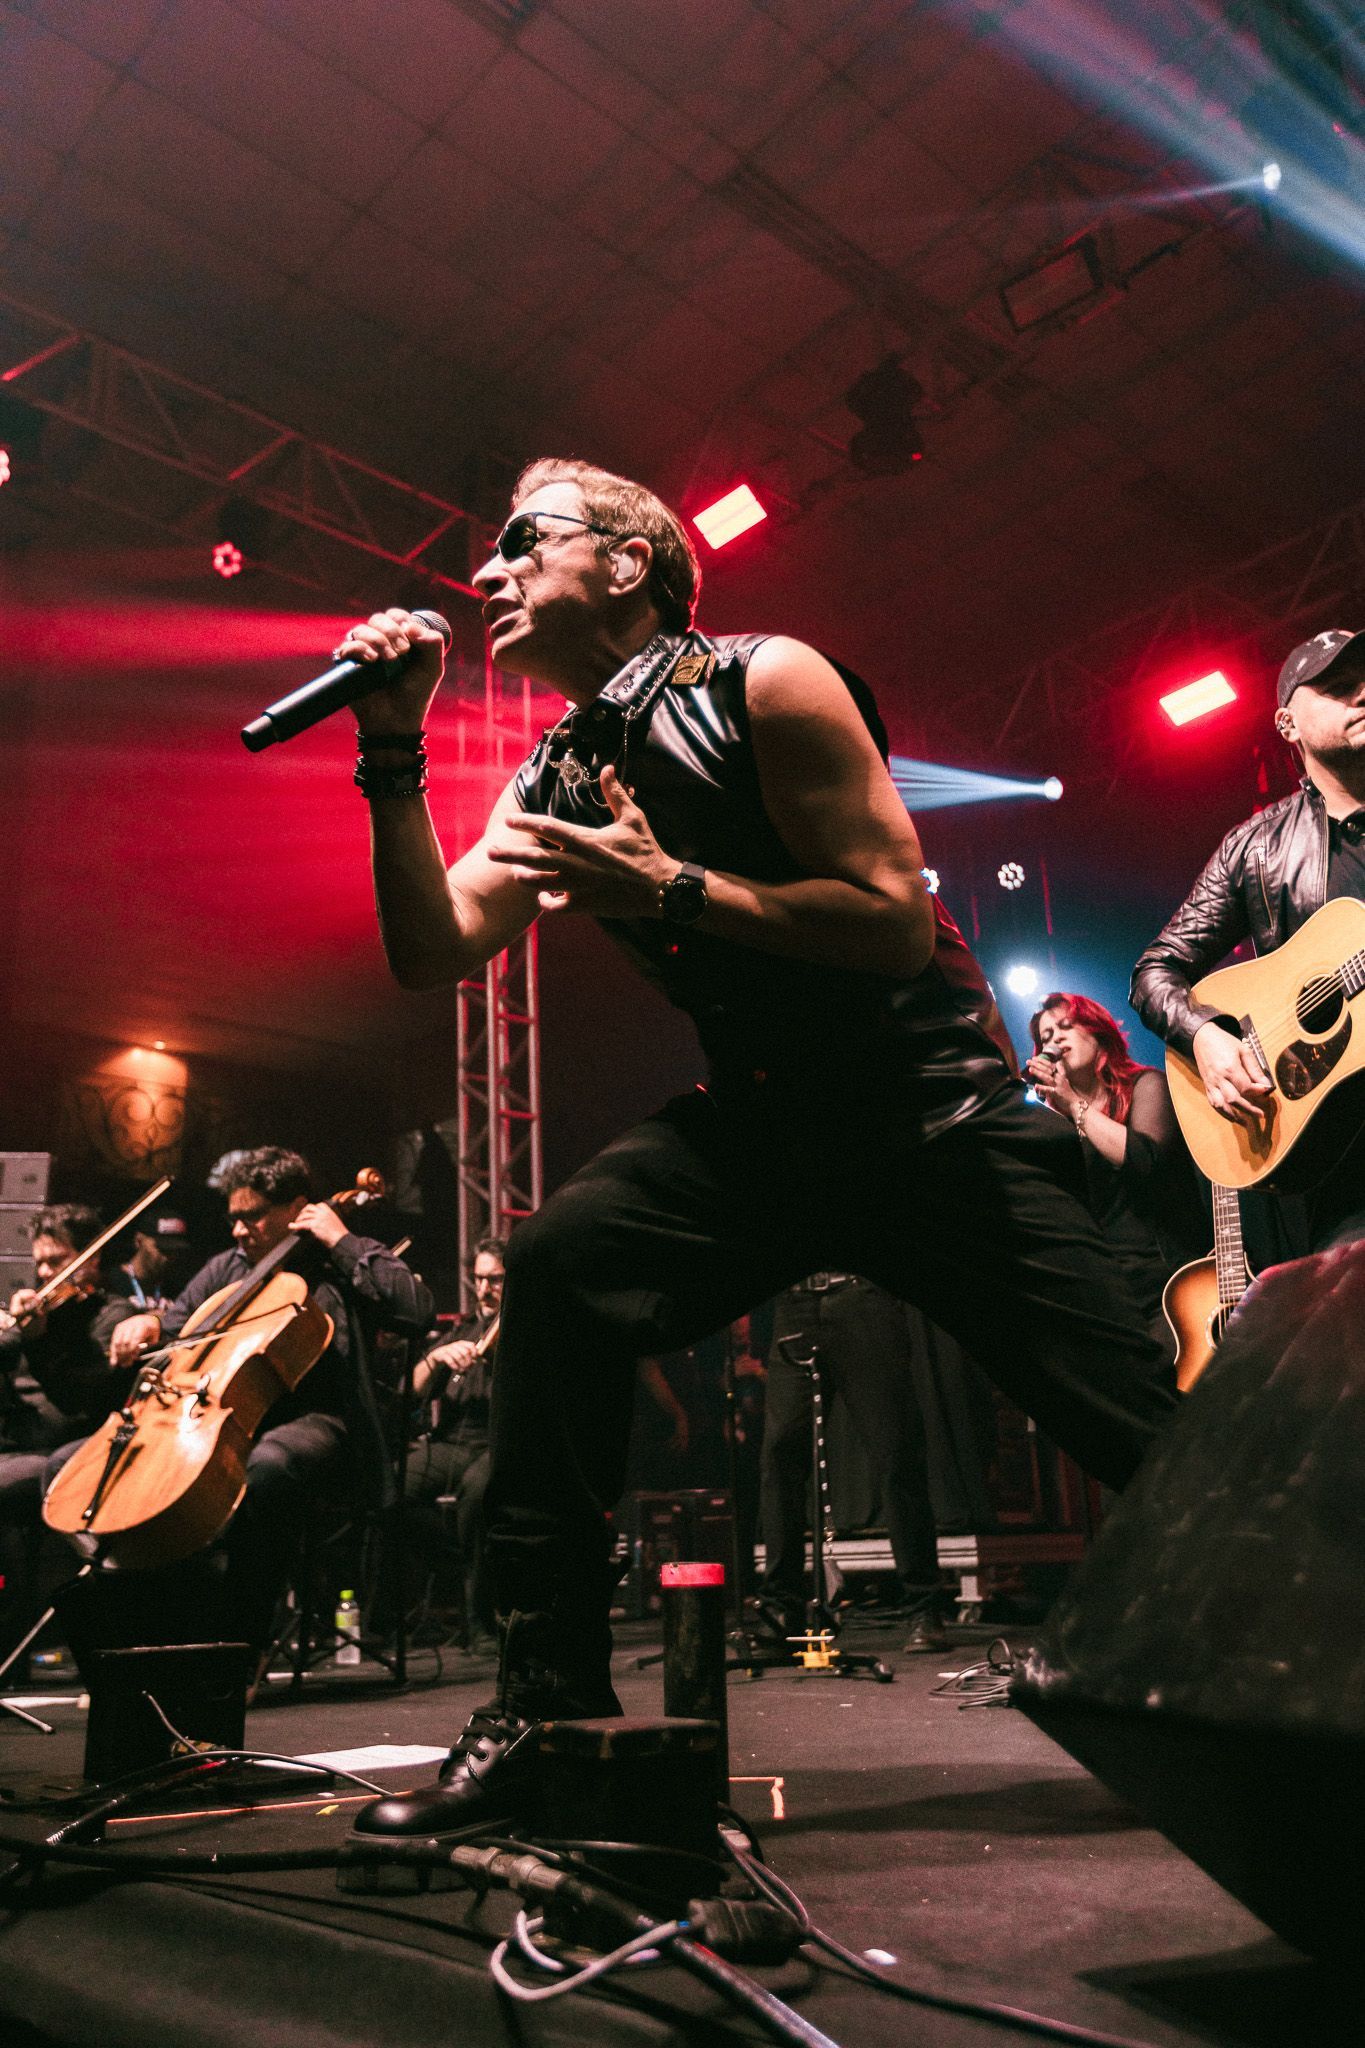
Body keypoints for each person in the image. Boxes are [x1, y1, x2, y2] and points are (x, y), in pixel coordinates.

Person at [339, 456, 1176, 1839]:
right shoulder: (551, 775)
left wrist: (670, 884)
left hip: (932, 1118)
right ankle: (547, 1713)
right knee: (558, 1264)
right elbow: (431, 947)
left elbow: (889, 923)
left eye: (525, 540)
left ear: (628, 562)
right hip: (766, 1126)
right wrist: (390, 751)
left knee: (1145, 1426)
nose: (487, 572)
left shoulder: (766, 678)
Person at [78, 1147, 434, 1659]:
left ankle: (240, 1643)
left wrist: (341, 1239)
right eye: (234, 1219)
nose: (240, 1230)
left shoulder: (337, 1259)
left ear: (298, 1208)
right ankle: (154, 1638)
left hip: (325, 1420)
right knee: (107, 1468)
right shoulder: (229, 1267)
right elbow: (178, 1326)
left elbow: (415, 1310)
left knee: (267, 1466)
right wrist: (147, 1323)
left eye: (253, 1216)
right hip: (224, 1416)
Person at [1131, 628, 1365, 1252]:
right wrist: (1205, 1036)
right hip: (1342, 1166)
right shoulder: (1255, 848)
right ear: (1287, 724)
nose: (1363, 694)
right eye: (1340, 687)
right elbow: (1155, 972)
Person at [755, 1275, 946, 1652]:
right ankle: (781, 1609)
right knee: (779, 1456)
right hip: (795, 1304)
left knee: (895, 1453)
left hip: (860, 1297)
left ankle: (924, 1606)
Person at [1025, 993, 1207, 1342]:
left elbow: (1146, 1162)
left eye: (1066, 1026)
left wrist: (1075, 1104)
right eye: (1046, 1037)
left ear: (1098, 1033)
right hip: (1113, 1293)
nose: (1055, 1039)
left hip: (1170, 1280)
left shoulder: (1146, 1086)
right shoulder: (1059, 1122)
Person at [1, 1206, 136, 1630]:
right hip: (14, 1443)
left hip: (64, 1451)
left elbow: (78, 1399)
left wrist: (38, 1341)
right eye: (39, 1262)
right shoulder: (37, 1315)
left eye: (56, 1261)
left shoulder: (113, 1316)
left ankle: (14, 1623)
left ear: (91, 1258)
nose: (45, 1274)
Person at [403, 1236, 505, 1649]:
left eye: (495, 1279)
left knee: (478, 1496)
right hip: (451, 1444)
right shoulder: (460, 1331)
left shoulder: (523, 1332)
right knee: (394, 1486)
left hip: (495, 1445)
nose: (484, 1289)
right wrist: (435, 1359)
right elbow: (411, 1391)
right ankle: (454, 1569)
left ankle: (480, 1621)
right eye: (479, 1279)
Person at [106, 1209, 192, 1310]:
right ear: (139, 1241)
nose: (168, 1257)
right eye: (162, 1248)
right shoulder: (111, 1284)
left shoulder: (179, 1287)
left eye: (175, 1250)